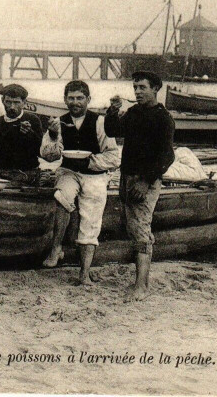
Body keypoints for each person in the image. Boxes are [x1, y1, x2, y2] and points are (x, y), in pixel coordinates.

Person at [39, 81, 120, 284]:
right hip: (69, 171)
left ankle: (84, 274)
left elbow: (113, 158)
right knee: (62, 195)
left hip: (95, 175)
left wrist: (90, 161)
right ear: (65, 100)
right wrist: (53, 134)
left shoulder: (100, 122)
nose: (75, 102)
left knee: (91, 221)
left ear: (88, 100)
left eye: (79, 98)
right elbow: (48, 156)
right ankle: (56, 248)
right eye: (71, 98)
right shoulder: (58, 121)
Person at [105, 70, 175, 301]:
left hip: (145, 180)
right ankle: (142, 281)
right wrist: (113, 110)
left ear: (156, 89)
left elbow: (167, 157)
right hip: (127, 177)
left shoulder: (163, 118)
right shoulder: (134, 112)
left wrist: (146, 181)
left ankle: (141, 287)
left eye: (142, 87)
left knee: (140, 231)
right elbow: (112, 131)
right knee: (135, 228)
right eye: (135, 87)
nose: (137, 92)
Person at [0, 84, 43, 185]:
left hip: (27, 174)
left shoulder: (33, 120)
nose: (12, 107)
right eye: (8, 102)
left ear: (24, 103)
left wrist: (29, 133)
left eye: (16, 102)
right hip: (1, 173)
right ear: (2, 101)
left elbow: (40, 151)